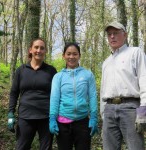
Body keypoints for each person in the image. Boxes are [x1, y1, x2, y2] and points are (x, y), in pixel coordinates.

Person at [100, 21, 146, 150]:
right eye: (109, 34)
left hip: (131, 108)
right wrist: (103, 112)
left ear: (125, 35)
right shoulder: (106, 62)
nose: (112, 37)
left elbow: (144, 79)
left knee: (135, 147)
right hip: (109, 109)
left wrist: (143, 109)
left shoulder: (135, 53)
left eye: (115, 33)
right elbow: (104, 89)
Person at [7, 37, 57, 150]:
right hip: (25, 116)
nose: (39, 50)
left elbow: (56, 94)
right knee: (21, 147)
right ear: (30, 50)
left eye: (42, 48)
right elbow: (14, 92)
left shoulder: (51, 71)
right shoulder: (21, 70)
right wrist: (11, 113)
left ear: (45, 51)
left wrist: (56, 115)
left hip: (46, 117)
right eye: (36, 47)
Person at [49, 42, 98, 150]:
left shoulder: (88, 74)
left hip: (83, 123)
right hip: (63, 123)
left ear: (79, 55)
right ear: (64, 56)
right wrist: (52, 118)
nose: (71, 57)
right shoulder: (58, 77)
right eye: (68, 54)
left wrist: (94, 117)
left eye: (75, 54)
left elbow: (93, 96)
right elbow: (54, 99)